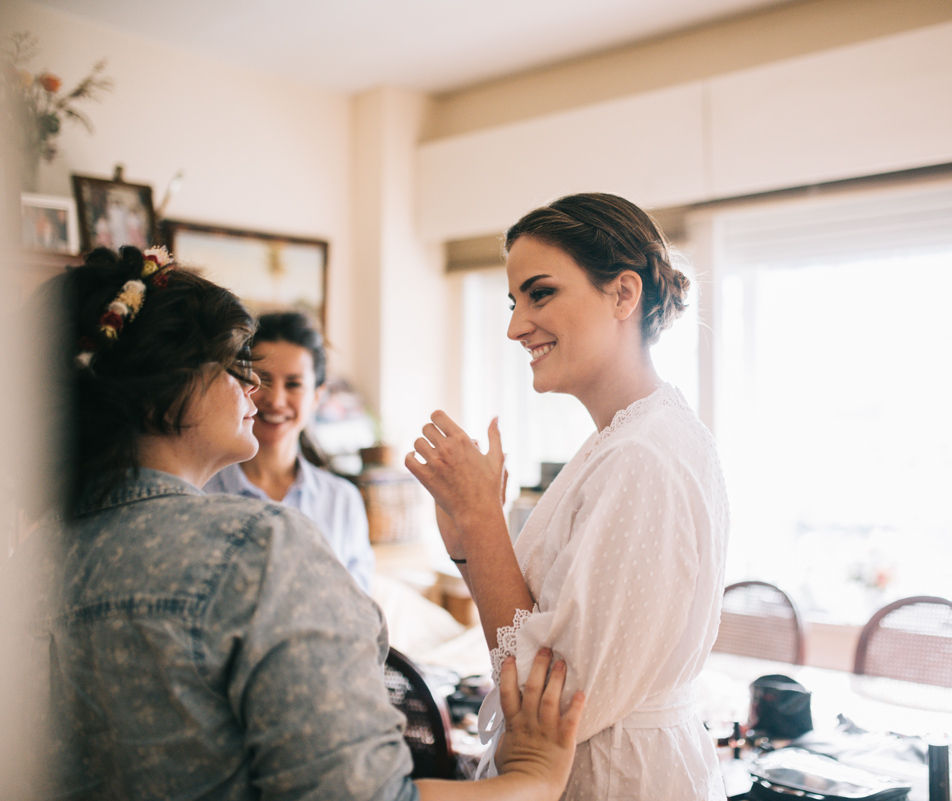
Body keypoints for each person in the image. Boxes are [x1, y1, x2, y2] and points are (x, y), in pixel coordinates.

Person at [12, 245, 584, 801]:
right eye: (235, 365)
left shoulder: (29, 564)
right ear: (162, 388)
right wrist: (530, 778)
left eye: (289, 382)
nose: (255, 389)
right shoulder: (254, 547)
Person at [405, 193, 729, 800]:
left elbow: (550, 695)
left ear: (623, 295)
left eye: (541, 292)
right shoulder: (626, 440)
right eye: (513, 301)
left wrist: (482, 521)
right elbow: (532, 641)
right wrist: (470, 548)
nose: (514, 325)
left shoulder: (642, 457)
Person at [205, 311, 374, 593]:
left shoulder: (342, 502)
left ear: (317, 396)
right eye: (263, 380)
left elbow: (359, 610)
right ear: (241, 385)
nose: (275, 399)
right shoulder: (202, 492)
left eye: (293, 384)